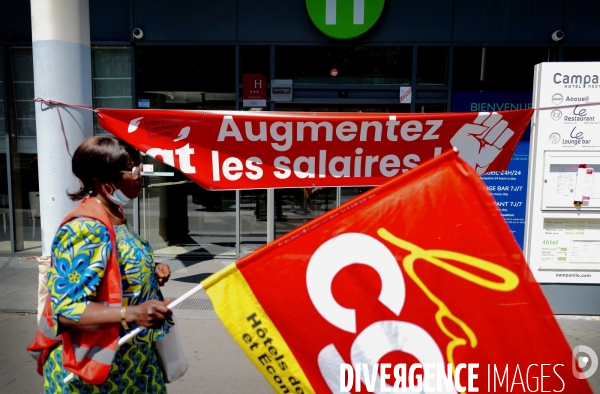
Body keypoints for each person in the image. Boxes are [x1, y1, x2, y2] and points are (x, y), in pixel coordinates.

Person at [27, 136, 174, 393]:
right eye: (130, 169)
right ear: (102, 178)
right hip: (92, 369)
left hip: (130, 359)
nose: (139, 174)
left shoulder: (115, 214)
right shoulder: (84, 228)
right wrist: (133, 313)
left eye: (138, 166)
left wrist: (149, 270)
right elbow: (67, 310)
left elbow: (112, 263)